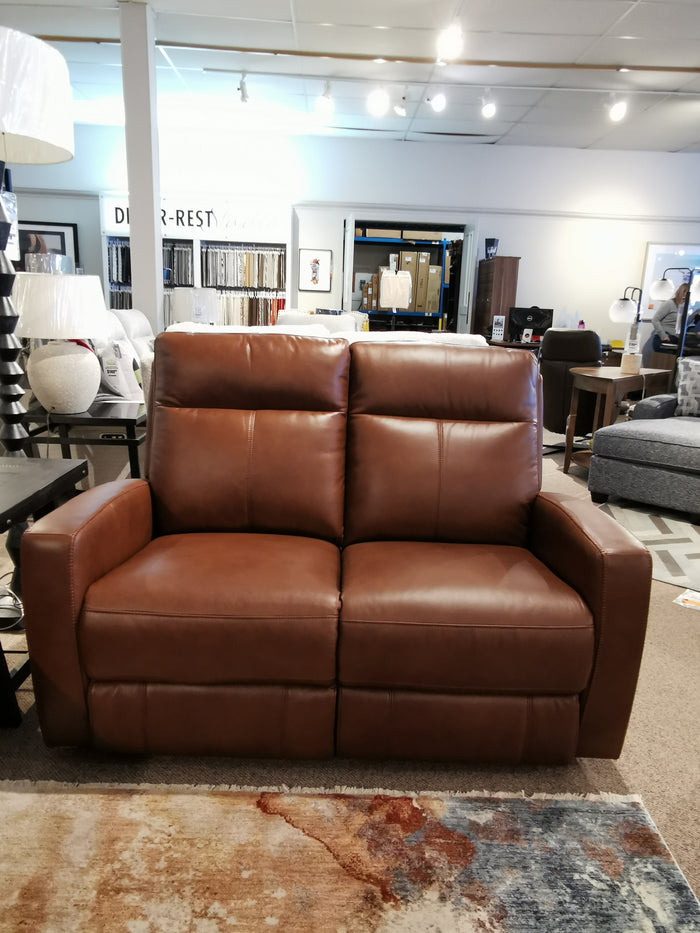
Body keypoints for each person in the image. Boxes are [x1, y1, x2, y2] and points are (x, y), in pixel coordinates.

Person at [651, 282, 689, 351]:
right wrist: (663, 336)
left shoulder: (685, 308)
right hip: (665, 339)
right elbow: (655, 320)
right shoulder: (670, 303)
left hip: (676, 339)